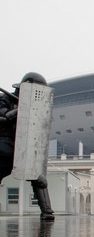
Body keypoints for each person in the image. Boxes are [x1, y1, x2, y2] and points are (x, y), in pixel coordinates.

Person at [0, 72, 55, 220]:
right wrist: (22, 109)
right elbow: (3, 118)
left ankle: (47, 211)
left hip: (25, 144)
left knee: (37, 175)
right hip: (4, 143)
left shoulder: (38, 105)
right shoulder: (4, 99)